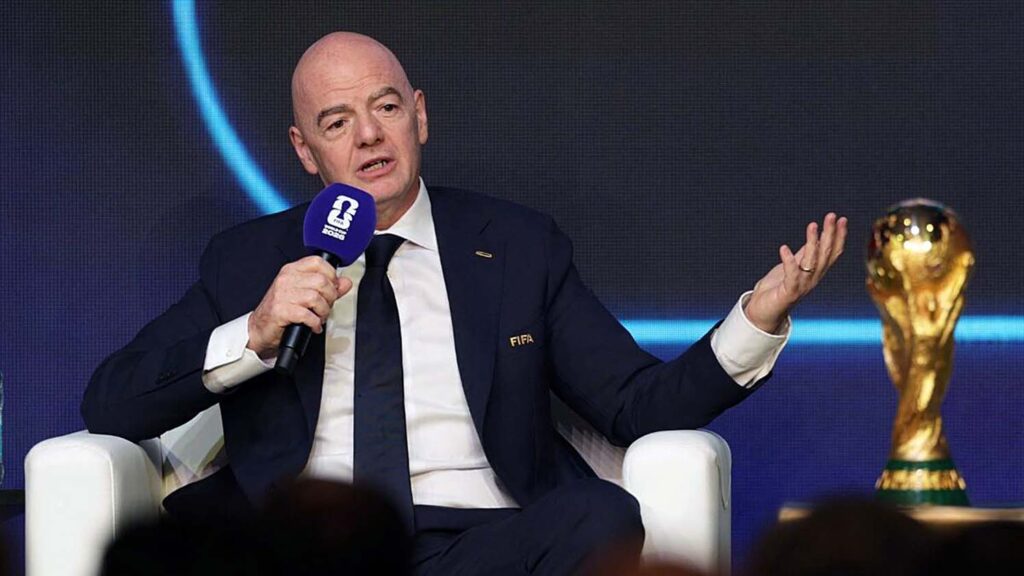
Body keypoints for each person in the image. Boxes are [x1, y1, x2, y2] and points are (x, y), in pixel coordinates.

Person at [82, 32, 847, 575]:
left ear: (419, 115)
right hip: (304, 544)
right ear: (305, 150)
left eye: (385, 107)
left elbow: (635, 403)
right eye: (337, 123)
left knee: (600, 516)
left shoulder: (516, 246)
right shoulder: (251, 258)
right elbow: (112, 402)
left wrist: (756, 319)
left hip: (478, 539)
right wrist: (252, 333)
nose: (368, 136)